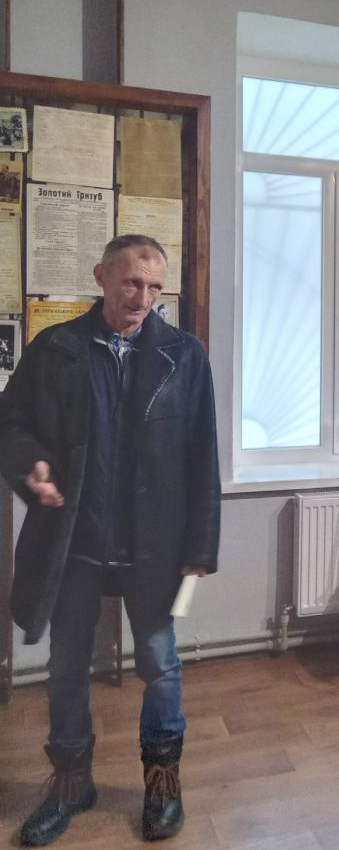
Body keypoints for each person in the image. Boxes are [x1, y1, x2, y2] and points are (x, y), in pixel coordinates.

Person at [0, 235, 221, 846]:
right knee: (67, 667)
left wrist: (201, 546)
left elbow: (203, 454)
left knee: (161, 666)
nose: (143, 298)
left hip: (155, 547)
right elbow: (9, 424)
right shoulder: (56, 349)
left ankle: (162, 782)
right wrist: (32, 465)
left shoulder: (184, 355)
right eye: (131, 283)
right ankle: (72, 781)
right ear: (101, 277)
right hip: (75, 542)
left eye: (155, 288)